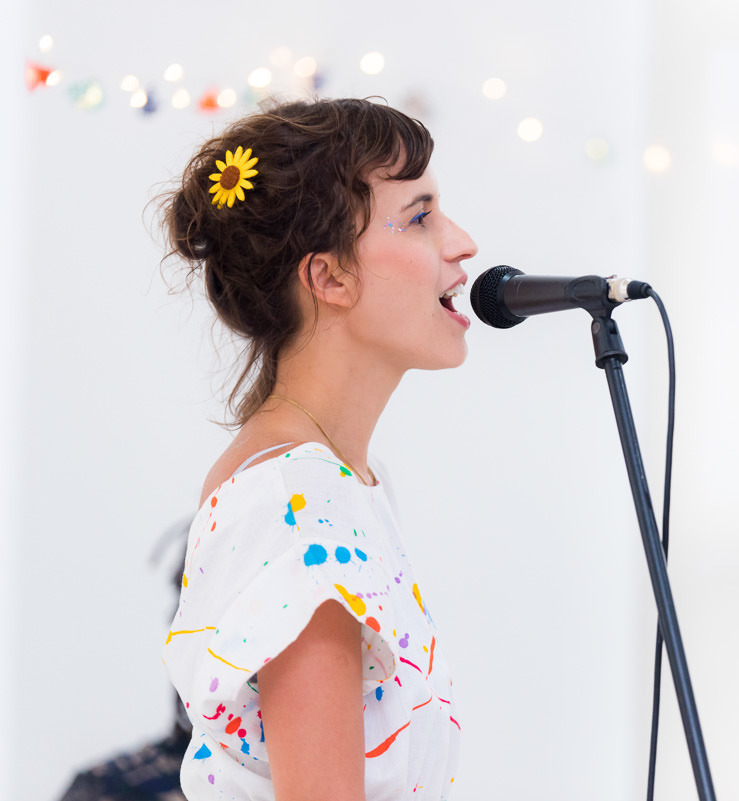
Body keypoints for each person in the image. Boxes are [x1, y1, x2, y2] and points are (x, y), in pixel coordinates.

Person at [159, 97, 477, 801]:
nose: (463, 244)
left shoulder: (340, 485)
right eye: (420, 217)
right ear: (328, 277)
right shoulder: (301, 510)